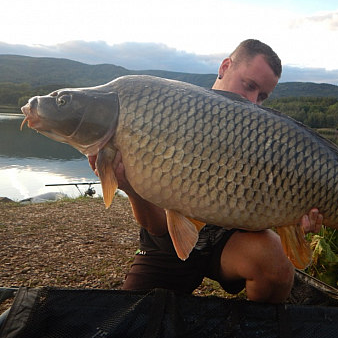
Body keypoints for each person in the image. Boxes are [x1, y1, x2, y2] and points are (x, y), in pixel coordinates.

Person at [89, 39, 323, 303]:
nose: (253, 101)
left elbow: (262, 215)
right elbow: (157, 227)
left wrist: (292, 219)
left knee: (278, 265)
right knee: (132, 317)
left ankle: (259, 326)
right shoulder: (174, 112)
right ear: (225, 67)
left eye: (262, 97)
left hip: (227, 244)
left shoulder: (261, 140)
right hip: (166, 245)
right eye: (249, 86)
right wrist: (129, 187)